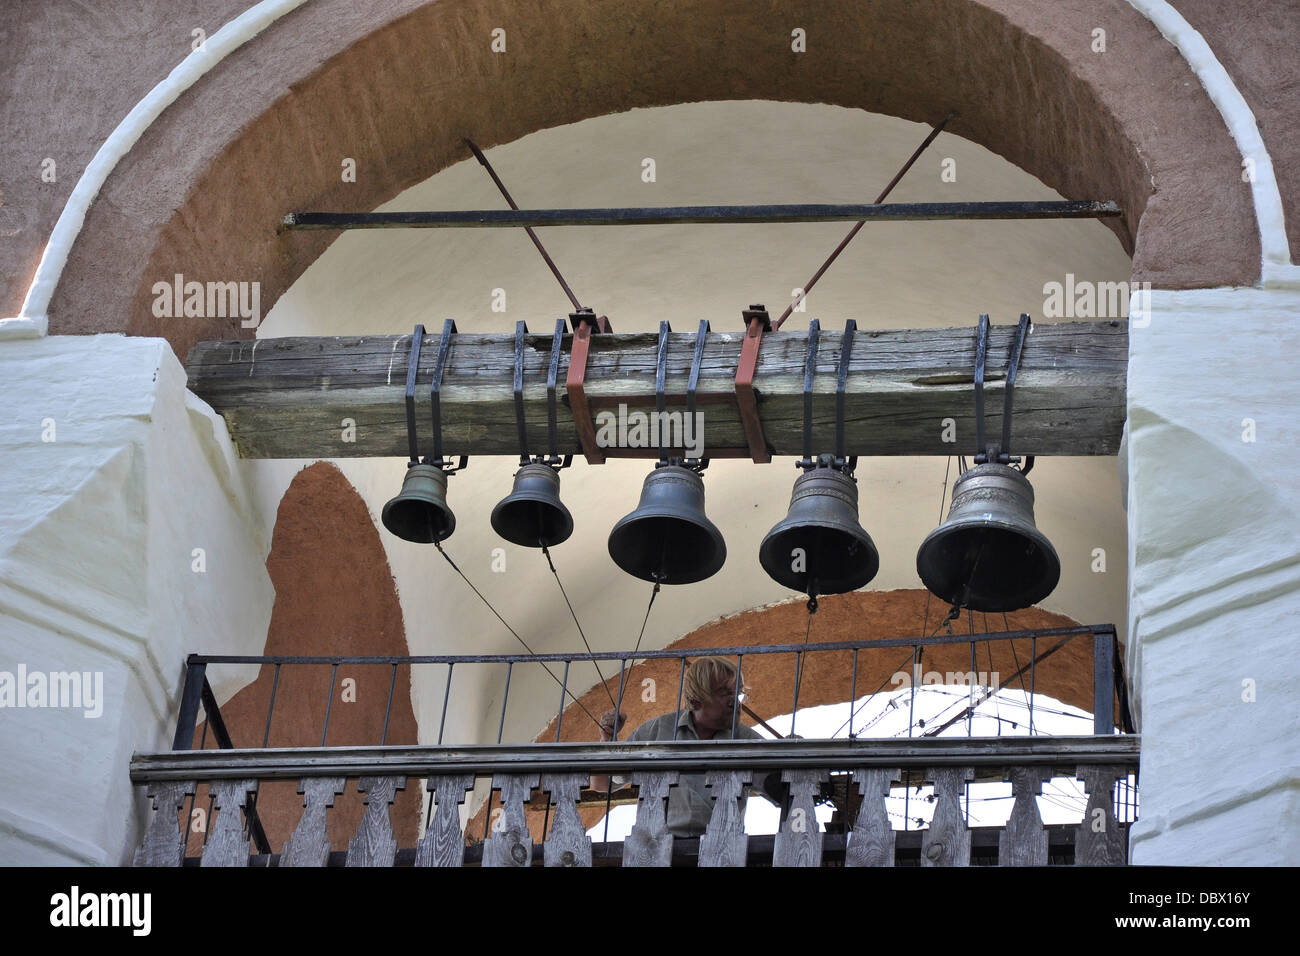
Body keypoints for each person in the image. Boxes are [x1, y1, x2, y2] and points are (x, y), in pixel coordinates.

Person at [591, 656, 788, 838]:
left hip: (720, 851)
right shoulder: (657, 731)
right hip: (657, 852)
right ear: (695, 701)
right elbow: (602, 784)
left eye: (739, 694)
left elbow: (782, 789)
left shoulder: (746, 739)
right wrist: (606, 741)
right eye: (726, 694)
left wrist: (792, 759)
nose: (735, 704)